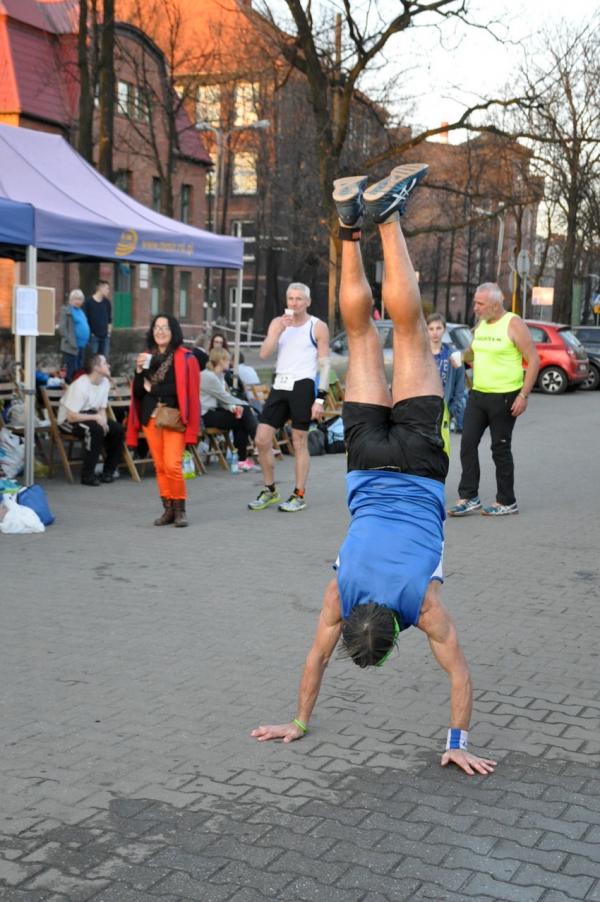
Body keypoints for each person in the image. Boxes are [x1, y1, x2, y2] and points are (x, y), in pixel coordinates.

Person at [251, 165, 496, 776]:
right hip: (364, 461)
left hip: (420, 463)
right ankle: (349, 227)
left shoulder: (424, 607)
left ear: (394, 638)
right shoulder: (339, 596)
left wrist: (457, 741)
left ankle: (389, 217)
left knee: (408, 331)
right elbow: (316, 658)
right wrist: (296, 719)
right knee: (361, 335)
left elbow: (460, 674)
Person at [447, 283, 540, 517]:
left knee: (499, 448)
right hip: (478, 395)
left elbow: (534, 360)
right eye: (475, 302)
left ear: (495, 305)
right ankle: (469, 497)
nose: (475, 307)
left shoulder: (513, 324)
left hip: (505, 397)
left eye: (480, 303)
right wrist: (461, 356)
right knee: (467, 444)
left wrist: (523, 395)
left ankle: (507, 501)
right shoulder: (481, 324)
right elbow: (473, 351)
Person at [248, 283, 330, 513]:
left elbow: (325, 365)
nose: (294, 303)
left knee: (299, 441)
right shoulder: (278, 323)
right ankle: (269, 489)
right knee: (261, 439)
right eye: (291, 298)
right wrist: (277, 332)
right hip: (280, 384)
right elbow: (264, 354)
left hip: (303, 385)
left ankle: (298, 494)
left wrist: (320, 399)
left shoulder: (317, 326)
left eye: (299, 299)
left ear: (308, 302)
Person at [126, 314, 200, 527]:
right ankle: (168, 509)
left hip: (174, 418)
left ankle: (180, 510)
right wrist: (138, 372)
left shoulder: (186, 358)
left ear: (173, 331)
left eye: (165, 327)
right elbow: (139, 393)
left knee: (172, 465)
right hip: (150, 417)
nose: (160, 331)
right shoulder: (147, 357)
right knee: (160, 466)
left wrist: (155, 389)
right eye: (156, 327)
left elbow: (184, 391)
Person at [57, 352, 124, 486]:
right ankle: (88, 475)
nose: (109, 365)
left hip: (91, 416)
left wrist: (104, 421)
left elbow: (101, 408)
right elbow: (71, 416)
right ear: (96, 367)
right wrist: (97, 418)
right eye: (105, 363)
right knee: (95, 430)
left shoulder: (104, 382)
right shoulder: (80, 385)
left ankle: (108, 472)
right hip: (68, 421)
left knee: (117, 429)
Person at [202, 348, 258, 471]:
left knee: (241, 416)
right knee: (243, 412)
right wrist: (244, 404)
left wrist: (234, 407)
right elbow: (225, 397)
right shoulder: (208, 376)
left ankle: (242, 459)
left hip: (215, 410)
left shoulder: (219, 376)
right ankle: (257, 442)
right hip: (205, 414)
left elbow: (223, 400)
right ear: (220, 361)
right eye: (227, 360)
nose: (230, 363)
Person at [426, 313, 465, 433]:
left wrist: (454, 408)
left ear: (444, 329)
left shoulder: (454, 354)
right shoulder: (421, 355)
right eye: (431, 329)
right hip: (424, 408)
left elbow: (460, 383)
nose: (435, 332)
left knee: (442, 443)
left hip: (444, 408)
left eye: (438, 328)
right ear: (426, 330)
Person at [58, 289, 90, 383]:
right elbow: (62, 329)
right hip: (71, 347)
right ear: (71, 300)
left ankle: (77, 388)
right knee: (71, 370)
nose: (77, 301)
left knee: (79, 370)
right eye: (75, 299)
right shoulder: (66, 310)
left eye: (80, 299)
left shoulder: (81, 311)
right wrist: (70, 341)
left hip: (82, 346)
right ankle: (69, 387)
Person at [84, 280, 112, 358]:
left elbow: (109, 319)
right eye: (107, 288)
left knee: (104, 359)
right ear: (100, 288)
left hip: (105, 337)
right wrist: (91, 334)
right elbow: (85, 320)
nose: (108, 291)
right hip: (94, 337)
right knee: (93, 359)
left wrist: (108, 333)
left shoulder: (107, 303)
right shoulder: (88, 302)